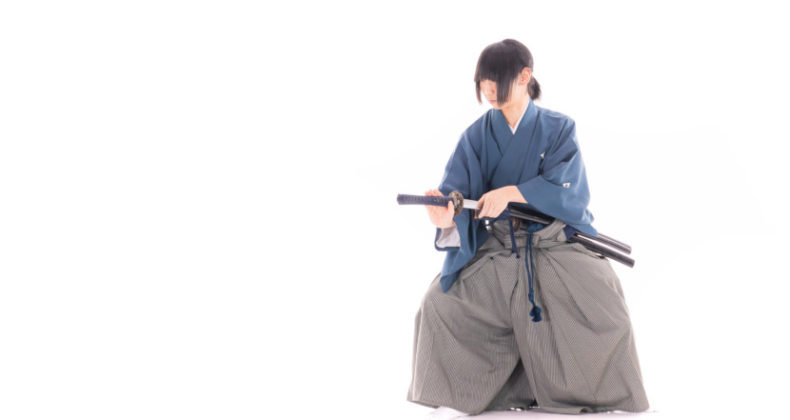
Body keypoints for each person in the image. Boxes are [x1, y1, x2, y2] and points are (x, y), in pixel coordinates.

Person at [406, 39, 649, 419]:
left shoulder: (559, 128)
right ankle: (475, 395)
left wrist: (512, 193)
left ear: (524, 77)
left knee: (603, 297)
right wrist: (446, 218)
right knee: (439, 302)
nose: (488, 90)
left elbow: (569, 191)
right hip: (499, 244)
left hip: (553, 241)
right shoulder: (476, 136)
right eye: (483, 82)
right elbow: (457, 195)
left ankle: (599, 395)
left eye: (496, 81)